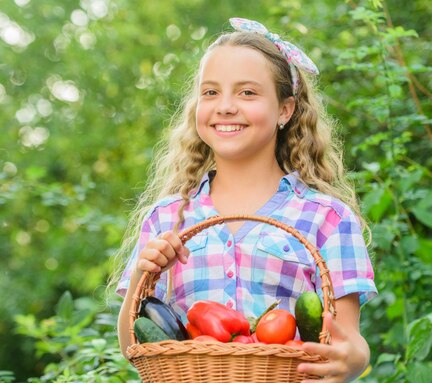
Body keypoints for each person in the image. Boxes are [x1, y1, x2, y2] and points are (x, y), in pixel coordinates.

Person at [111, 17, 377, 382]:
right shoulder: (166, 218)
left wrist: (351, 361)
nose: (225, 106)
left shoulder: (327, 219)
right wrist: (145, 272)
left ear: (285, 109)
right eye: (210, 92)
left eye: (247, 93)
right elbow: (133, 347)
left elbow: (352, 343)